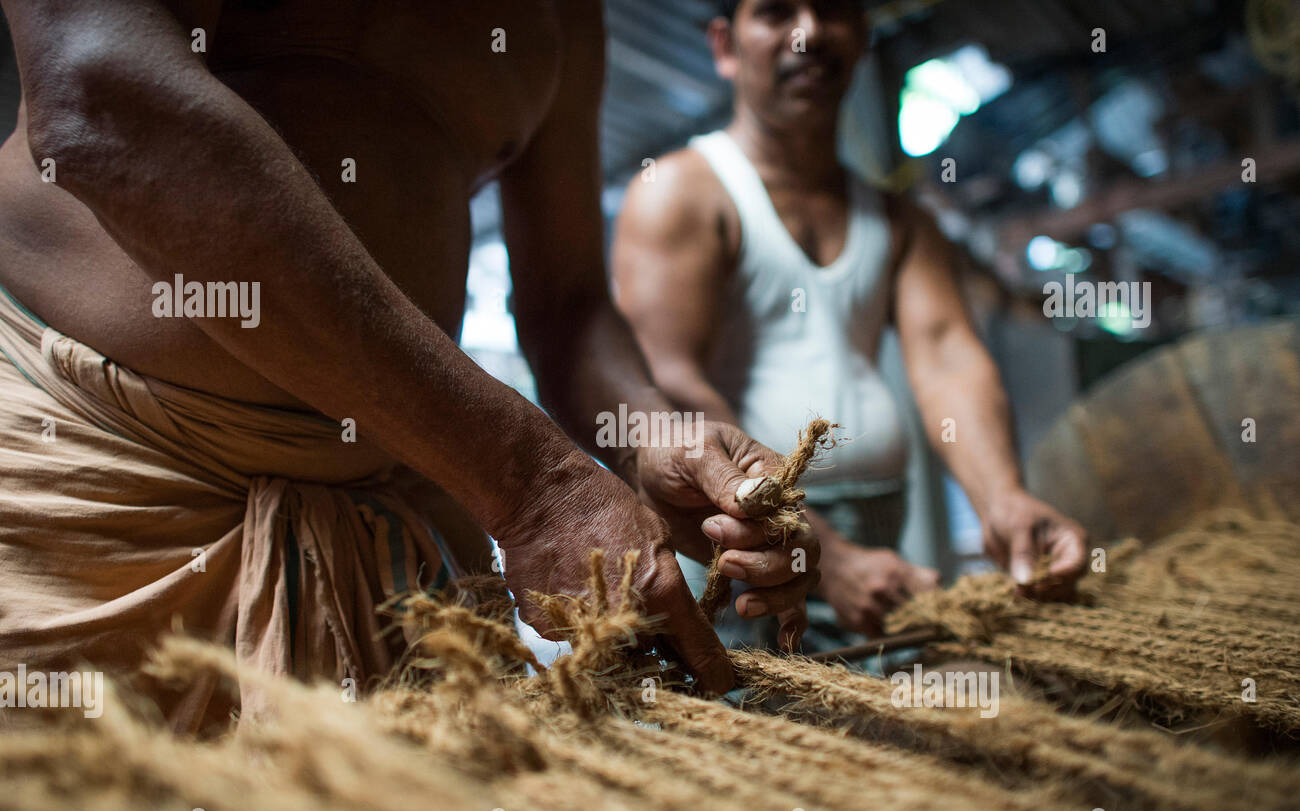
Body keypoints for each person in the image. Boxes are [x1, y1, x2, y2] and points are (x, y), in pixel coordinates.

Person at [0, 0, 819, 731]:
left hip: (392, 533)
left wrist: (644, 432)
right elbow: (102, 98)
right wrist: (533, 485)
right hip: (85, 476)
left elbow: (567, 305)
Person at [612, 0, 1087, 653]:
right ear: (724, 46)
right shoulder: (680, 193)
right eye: (776, 12)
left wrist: (1003, 499)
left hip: (876, 533)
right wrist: (824, 559)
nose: (808, 34)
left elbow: (948, 359)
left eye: (832, 11)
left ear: (861, 38)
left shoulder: (899, 221)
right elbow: (667, 385)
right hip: (732, 552)